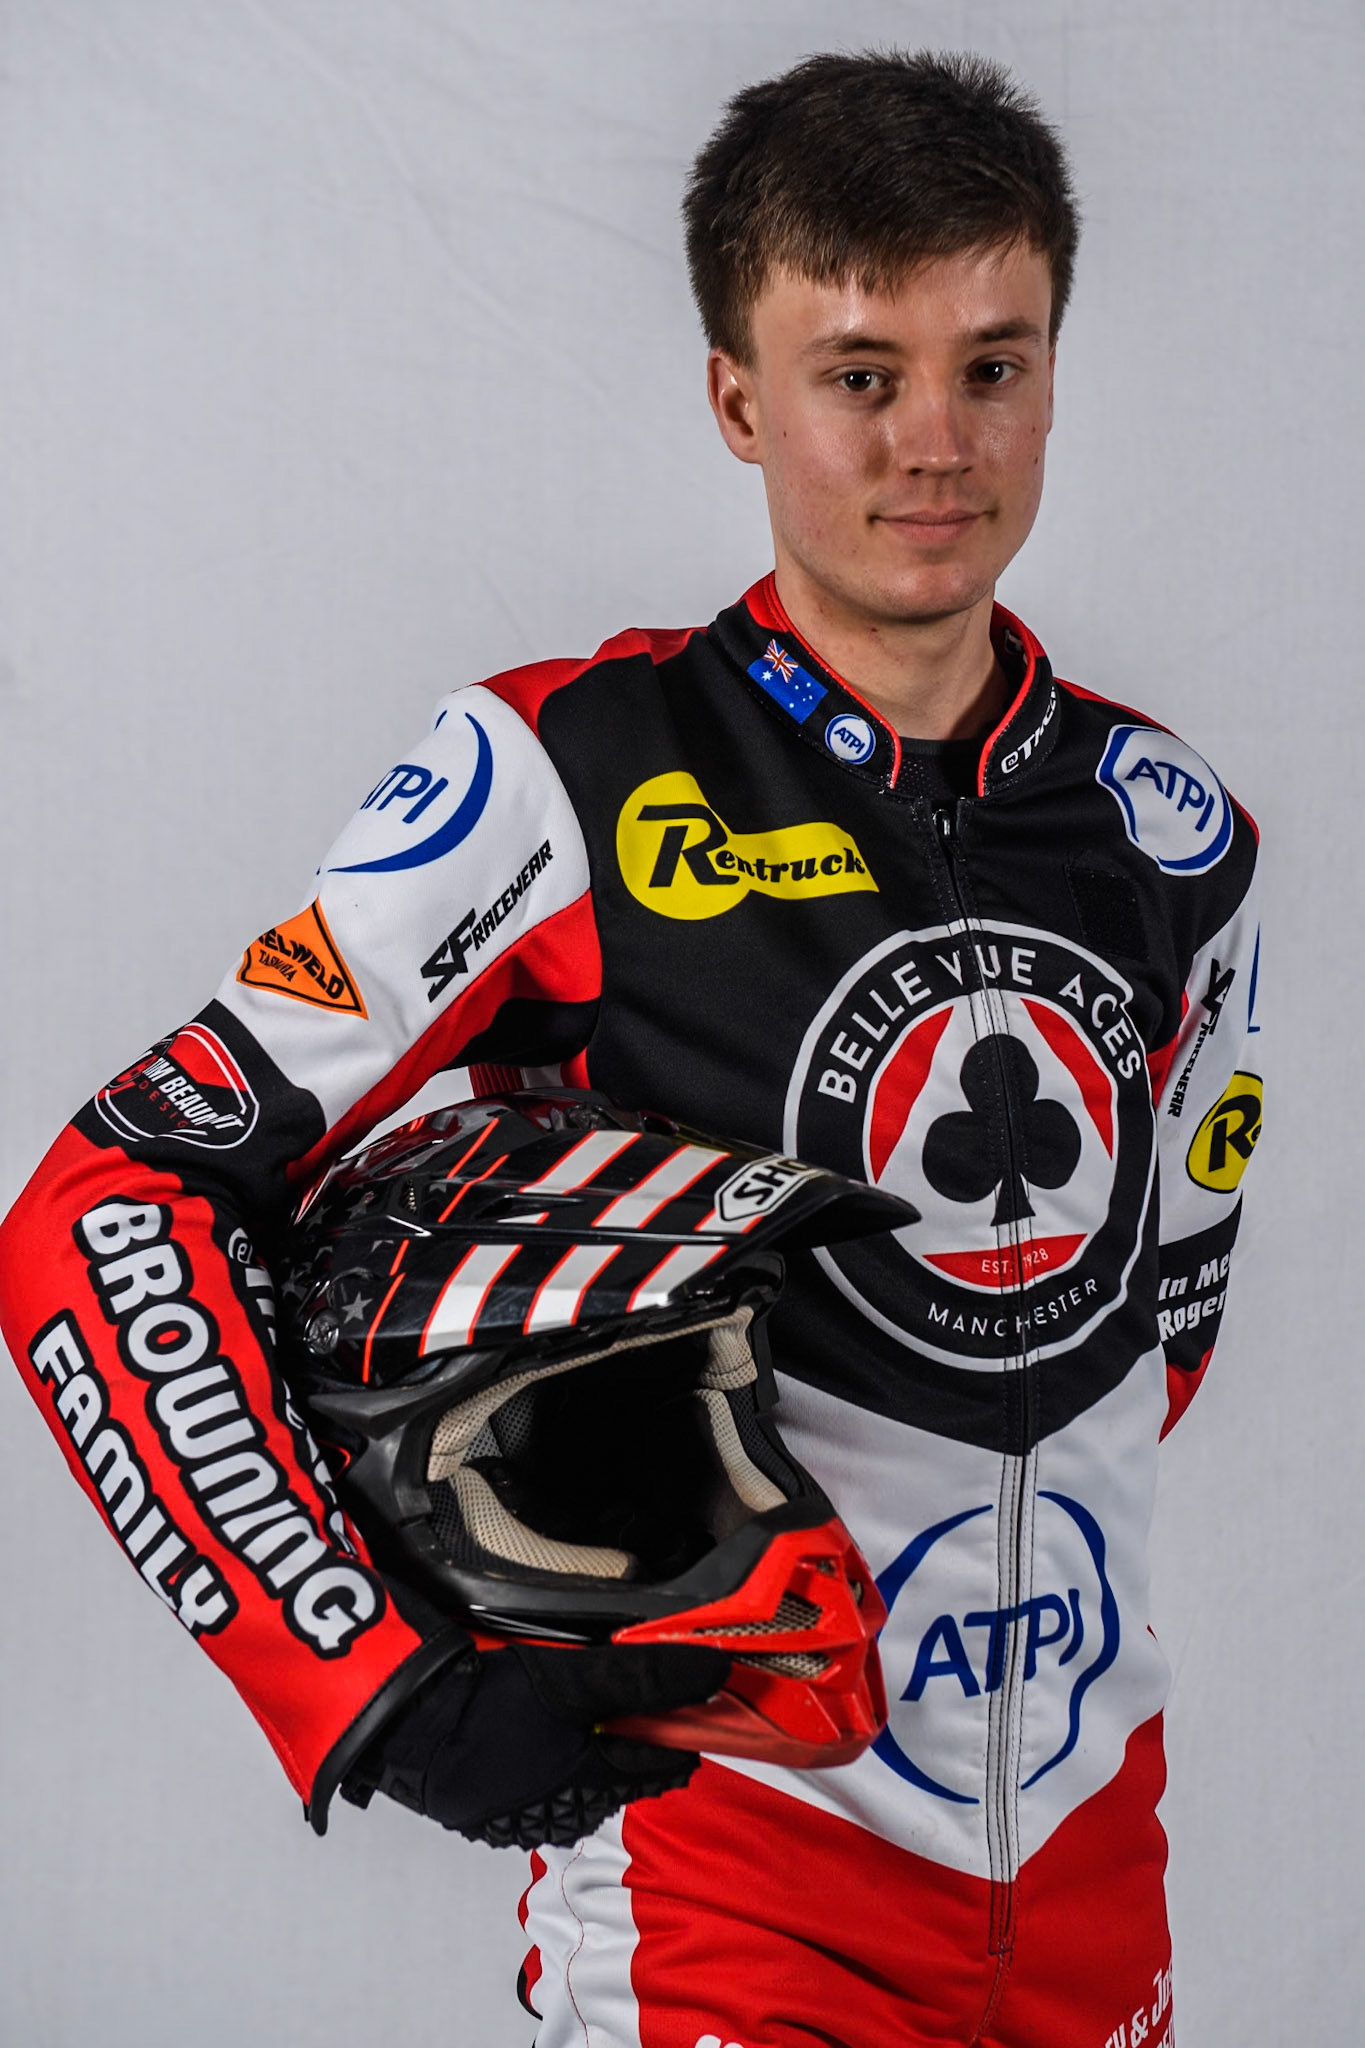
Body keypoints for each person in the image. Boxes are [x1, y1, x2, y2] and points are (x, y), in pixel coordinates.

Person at [0, 46, 1260, 2048]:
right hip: (719, 1893)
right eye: (858, 374)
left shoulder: (1171, 831)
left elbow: (1148, 1338)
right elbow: (106, 1202)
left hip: (1100, 1879)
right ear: (737, 398)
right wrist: (367, 1673)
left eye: (992, 365)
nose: (934, 441)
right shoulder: (557, 779)